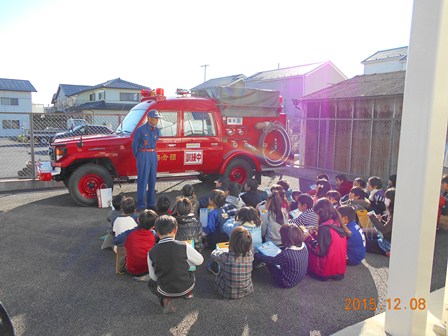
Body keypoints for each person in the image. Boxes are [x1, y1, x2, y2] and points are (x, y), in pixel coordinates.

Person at [147, 215, 204, 313]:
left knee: (151, 283)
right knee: (190, 268)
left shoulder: (151, 252)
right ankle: (188, 294)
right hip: (186, 286)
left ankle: (165, 300)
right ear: (175, 230)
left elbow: (153, 276)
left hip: (165, 289)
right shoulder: (184, 246)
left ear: (156, 233)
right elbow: (200, 260)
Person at [303, 198, 347, 281]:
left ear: (321, 213)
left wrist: (308, 237)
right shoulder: (337, 221)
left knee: (308, 246)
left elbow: (319, 251)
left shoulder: (324, 228)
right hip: (339, 270)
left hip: (325, 272)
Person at [254, 224, 308, 288]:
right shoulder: (304, 245)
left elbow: (271, 260)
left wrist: (255, 254)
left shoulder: (286, 254)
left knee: (269, 260)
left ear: (285, 238)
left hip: (286, 282)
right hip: (299, 277)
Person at [211, 226, 254, 299]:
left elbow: (213, 254)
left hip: (226, 292)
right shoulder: (250, 255)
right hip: (247, 290)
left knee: (217, 263)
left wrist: (221, 251)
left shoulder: (225, 256)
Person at [132, 109, 162, 211]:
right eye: (155, 118)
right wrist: (140, 156)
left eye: (157, 118)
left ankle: (151, 203)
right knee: (143, 180)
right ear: (149, 118)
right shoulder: (140, 129)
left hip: (153, 154)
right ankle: (141, 205)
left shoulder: (157, 130)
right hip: (143, 154)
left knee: (152, 180)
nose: (156, 120)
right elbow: (134, 146)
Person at [115, 209, 158, 277]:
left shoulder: (129, 233)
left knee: (121, 246)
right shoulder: (154, 234)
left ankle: (120, 268)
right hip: (149, 269)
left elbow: (116, 241)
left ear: (138, 220)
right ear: (153, 225)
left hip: (132, 270)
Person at [364, 188, 395, 256]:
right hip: (386, 236)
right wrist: (380, 220)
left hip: (389, 241)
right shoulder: (391, 210)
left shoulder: (394, 213)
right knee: (363, 233)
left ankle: (388, 252)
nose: (385, 199)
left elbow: (385, 230)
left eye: (386, 198)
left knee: (365, 243)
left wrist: (373, 217)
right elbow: (389, 226)